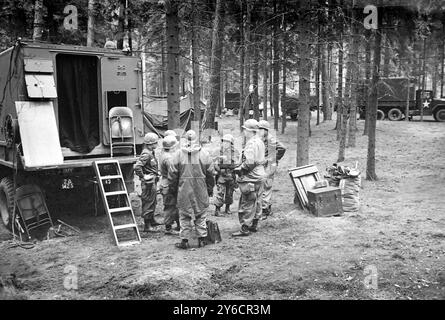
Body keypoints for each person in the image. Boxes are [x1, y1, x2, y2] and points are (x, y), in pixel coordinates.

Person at [168, 130, 215, 249]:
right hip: (200, 187)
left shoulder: (178, 154)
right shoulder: (204, 154)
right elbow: (210, 174)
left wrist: (173, 190)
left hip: (184, 187)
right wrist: (209, 189)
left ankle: (184, 241)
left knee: (184, 214)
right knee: (201, 213)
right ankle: (202, 239)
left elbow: (172, 174)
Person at [232, 119, 266, 237]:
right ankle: (254, 224)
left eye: (245, 129)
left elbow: (249, 162)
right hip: (260, 175)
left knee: (247, 201)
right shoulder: (260, 141)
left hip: (251, 177)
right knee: (257, 200)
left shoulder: (251, 143)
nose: (244, 132)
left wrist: (240, 170)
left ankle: (244, 228)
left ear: (249, 131)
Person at [258, 120, 286, 219]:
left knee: (266, 186)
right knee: (263, 186)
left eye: (261, 129)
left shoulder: (271, 139)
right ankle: (267, 207)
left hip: (269, 166)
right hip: (263, 166)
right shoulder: (261, 138)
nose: (259, 131)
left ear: (266, 130)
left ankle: (265, 210)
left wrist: (274, 158)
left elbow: (282, 148)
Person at [134, 132, 160, 232]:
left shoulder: (150, 152)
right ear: (150, 144)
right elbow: (137, 167)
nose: (156, 145)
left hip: (152, 180)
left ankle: (151, 220)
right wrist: (143, 176)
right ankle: (147, 226)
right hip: (148, 182)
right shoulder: (146, 154)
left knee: (153, 201)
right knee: (148, 202)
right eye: (155, 143)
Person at [159, 135, 180, 235]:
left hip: (165, 182)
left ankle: (172, 225)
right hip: (168, 184)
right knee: (169, 207)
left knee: (172, 206)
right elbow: (172, 175)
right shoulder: (169, 158)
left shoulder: (163, 154)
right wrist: (174, 187)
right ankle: (168, 228)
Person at [214, 134, 239, 216]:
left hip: (231, 175)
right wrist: (219, 162)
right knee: (220, 192)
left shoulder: (234, 152)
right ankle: (217, 209)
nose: (225, 143)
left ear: (231, 143)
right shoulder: (219, 151)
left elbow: (237, 162)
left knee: (230, 193)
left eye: (227, 142)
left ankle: (227, 208)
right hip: (221, 175)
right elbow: (214, 162)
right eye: (224, 142)